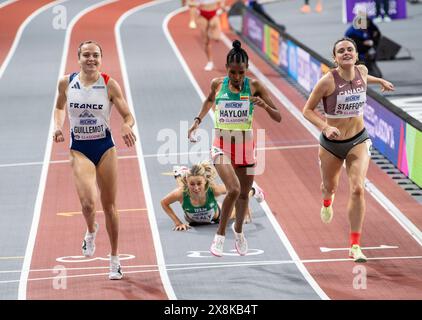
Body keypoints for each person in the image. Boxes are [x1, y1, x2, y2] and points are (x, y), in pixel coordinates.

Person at [302, 37, 394, 262]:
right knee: (329, 187)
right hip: (332, 144)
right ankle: (326, 200)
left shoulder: (361, 71)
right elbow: (307, 110)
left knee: (357, 189)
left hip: (358, 141)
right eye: (341, 51)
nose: (346, 53)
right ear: (335, 58)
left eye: (349, 49)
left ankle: (354, 245)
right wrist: (325, 127)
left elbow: (364, 77)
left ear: (356, 54)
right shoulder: (327, 81)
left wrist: (379, 80)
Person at [188, 40, 281, 257]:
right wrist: (197, 121)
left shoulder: (255, 86)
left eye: (240, 72)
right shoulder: (217, 84)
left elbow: (278, 117)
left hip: (245, 147)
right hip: (221, 144)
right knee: (233, 189)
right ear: (227, 68)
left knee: (243, 197)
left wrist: (264, 105)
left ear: (246, 70)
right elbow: (209, 101)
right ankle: (219, 238)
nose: (237, 77)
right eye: (232, 72)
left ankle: (238, 232)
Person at [53, 40, 136, 279]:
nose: (91, 59)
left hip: (105, 148)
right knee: (88, 204)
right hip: (79, 148)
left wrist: (126, 127)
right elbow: (59, 107)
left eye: (95, 55)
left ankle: (114, 259)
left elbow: (128, 115)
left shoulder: (109, 85)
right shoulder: (66, 82)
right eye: (86, 55)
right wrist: (58, 126)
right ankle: (91, 231)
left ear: (101, 58)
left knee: (110, 206)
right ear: (78, 58)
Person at [160, 163, 265, 231]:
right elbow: (164, 203)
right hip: (193, 221)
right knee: (183, 190)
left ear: (205, 181)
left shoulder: (213, 190)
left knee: (236, 206)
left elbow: (237, 190)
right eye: (192, 184)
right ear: (187, 182)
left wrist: (245, 206)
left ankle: (254, 189)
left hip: (217, 216)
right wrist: (178, 223)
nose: (196, 187)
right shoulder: (181, 192)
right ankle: (180, 173)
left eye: (199, 183)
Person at [196, 0, 225, 71]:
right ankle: (210, 62)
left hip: (214, 13)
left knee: (216, 38)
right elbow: (191, 3)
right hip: (202, 14)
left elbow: (222, 4)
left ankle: (211, 32)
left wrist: (221, 9)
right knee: (206, 41)